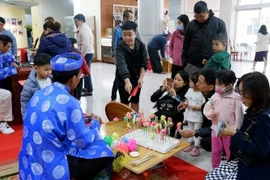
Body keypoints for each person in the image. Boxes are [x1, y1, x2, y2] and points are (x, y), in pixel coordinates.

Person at [18, 53, 114, 180]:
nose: (80, 78)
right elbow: (83, 141)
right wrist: (95, 123)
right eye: (79, 75)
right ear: (73, 79)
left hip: (28, 164)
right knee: (104, 150)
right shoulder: (70, 102)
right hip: (50, 168)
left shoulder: (39, 94)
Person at [206, 72, 270, 180]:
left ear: (257, 93)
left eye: (244, 94)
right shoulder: (254, 110)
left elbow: (260, 152)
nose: (242, 98)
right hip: (244, 159)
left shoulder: (263, 118)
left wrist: (234, 133)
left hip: (255, 167)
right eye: (240, 93)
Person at [203, 70, 244, 169]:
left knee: (230, 150)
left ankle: (230, 169)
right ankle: (215, 168)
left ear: (229, 85)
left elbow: (239, 117)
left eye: (219, 84)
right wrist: (210, 113)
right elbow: (208, 106)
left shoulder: (236, 99)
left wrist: (235, 130)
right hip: (216, 128)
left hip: (229, 131)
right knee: (216, 150)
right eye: (216, 84)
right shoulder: (215, 96)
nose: (216, 87)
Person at [182, 1, 227, 75]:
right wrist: (184, 62)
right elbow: (186, 44)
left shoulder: (219, 24)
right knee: (191, 85)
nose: (199, 19)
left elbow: (223, 46)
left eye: (202, 16)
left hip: (212, 64)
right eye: (196, 16)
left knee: (209, 86)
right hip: (192, 64)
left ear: (208, 12)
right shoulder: (191, 25)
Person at [178, 68, 216, 152]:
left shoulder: (215, 101)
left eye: (200, 82)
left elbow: (218, 126)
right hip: (204, 123)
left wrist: (196, 132)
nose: (197, 84)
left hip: (216, 128)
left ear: (210, 87)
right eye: (197, 81)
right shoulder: (203, 93)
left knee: (205, 142)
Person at [115, 21, 148, 112]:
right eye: (124, 35)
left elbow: (144, 63)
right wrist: (127, 81)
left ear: (135, 33)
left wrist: (141, 78)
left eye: (130, 35)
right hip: (123, 78)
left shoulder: (141, 46)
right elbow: (122, 65)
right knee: (124, 101)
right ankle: (125, 122)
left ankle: (134, 122)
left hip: (136, 78)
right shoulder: (120, 47)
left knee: (135, 100)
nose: (127, 38)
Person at [151, 70, 189, 138]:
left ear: (185, 83)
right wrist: (162, 89)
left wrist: (174, 97)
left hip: (174, 120)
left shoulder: (186, 94)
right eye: (175, 79)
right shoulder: (166, 89)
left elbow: (182, 109)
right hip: (161, 117)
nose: (175, 81)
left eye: (179, 80)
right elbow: (152, 99)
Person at [111, 10, 136, 101]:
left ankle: (130, 94)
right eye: (130, 18)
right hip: (120, 56)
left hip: (131, 58)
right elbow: (114, 43)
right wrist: (115, 56)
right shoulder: (117, 30)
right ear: (125, 18)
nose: (132, 20)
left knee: (129, 76)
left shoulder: (134, 29)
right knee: (118, 76)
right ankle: (113, 96)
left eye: (133, 18)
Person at [20, 53, 52, 118]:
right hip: (37, 114)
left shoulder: (52, 79)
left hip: (51, 113)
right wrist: (26, 118)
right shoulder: (30, 84)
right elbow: (25, 102)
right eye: (46, 70)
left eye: (50, 69)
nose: (49, 72)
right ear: (36, 68)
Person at [181, 72, 205, 156]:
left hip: (198, 117)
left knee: (196, 132)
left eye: (190, 81)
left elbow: (204, 106)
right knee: (190, 130)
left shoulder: (201, 93)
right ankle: (190, 143)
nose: (189, 83)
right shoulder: (190, 90)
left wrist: (195, 108)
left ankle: (196, 146)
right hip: (190, 115)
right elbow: (187, 99)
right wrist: (186, 103)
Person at [0, 35, 18, 134]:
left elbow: (9, 58)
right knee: (6, 94)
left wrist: (13, 62)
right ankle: (2, 122)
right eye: (7, 47)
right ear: (1, 43)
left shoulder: (2, 53)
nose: (8, 50)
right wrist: (12, 69)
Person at [74, 14, 94, 96]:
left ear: (81, 21)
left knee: (86, 71)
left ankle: (89, 90)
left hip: (87, 53)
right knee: (85, 71)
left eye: (76, 21)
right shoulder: (83, 28)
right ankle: (87, 88)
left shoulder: (84, 29)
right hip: (87, 52)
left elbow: (85, 45)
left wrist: (81, 55)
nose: (75, 23)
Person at [169, 14, 190, 79]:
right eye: (177, 23)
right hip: (175, 62)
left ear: (185, 23)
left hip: (185, 64)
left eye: (179, 23)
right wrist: (172, 55)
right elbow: (170, 45)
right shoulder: (175, 33)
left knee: (184, 81)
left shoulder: (189, 34)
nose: (178, 24)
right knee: (173, 79)